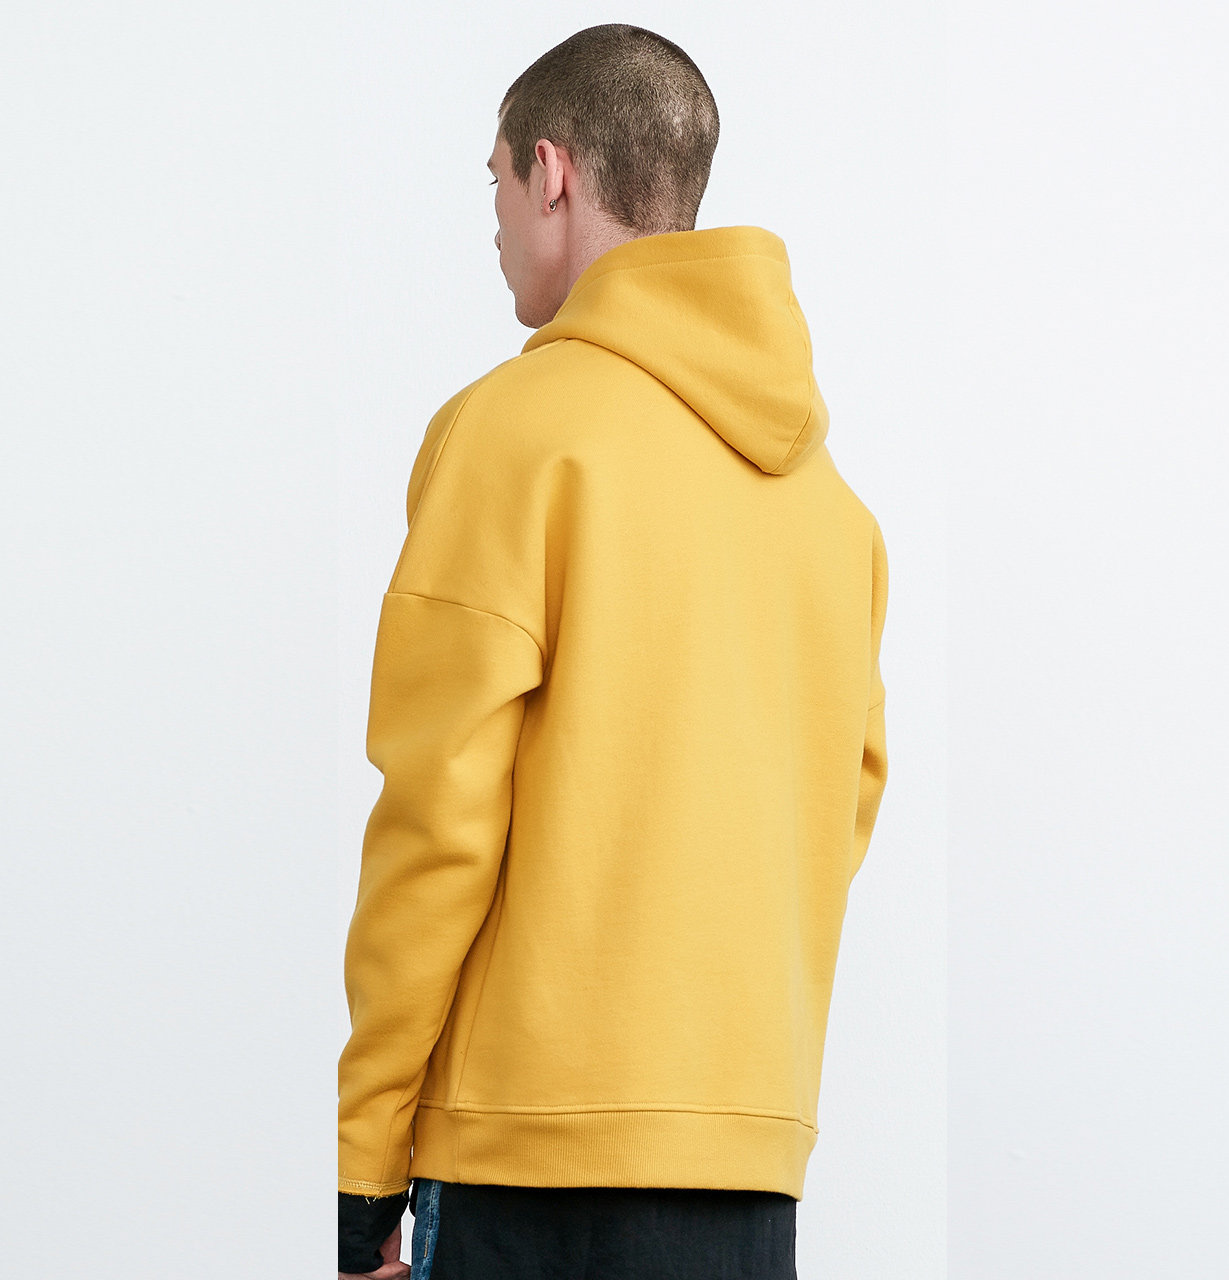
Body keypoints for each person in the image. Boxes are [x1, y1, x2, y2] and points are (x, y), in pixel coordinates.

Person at [337, 22, 889, 1280]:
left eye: (492, 179)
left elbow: (437, 817)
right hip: (745, 1163)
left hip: (527, 1167)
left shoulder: (510, 433)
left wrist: (362, 1166)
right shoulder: (835, 514)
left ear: (550, 172)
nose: (491, 218)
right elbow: (839, 809)